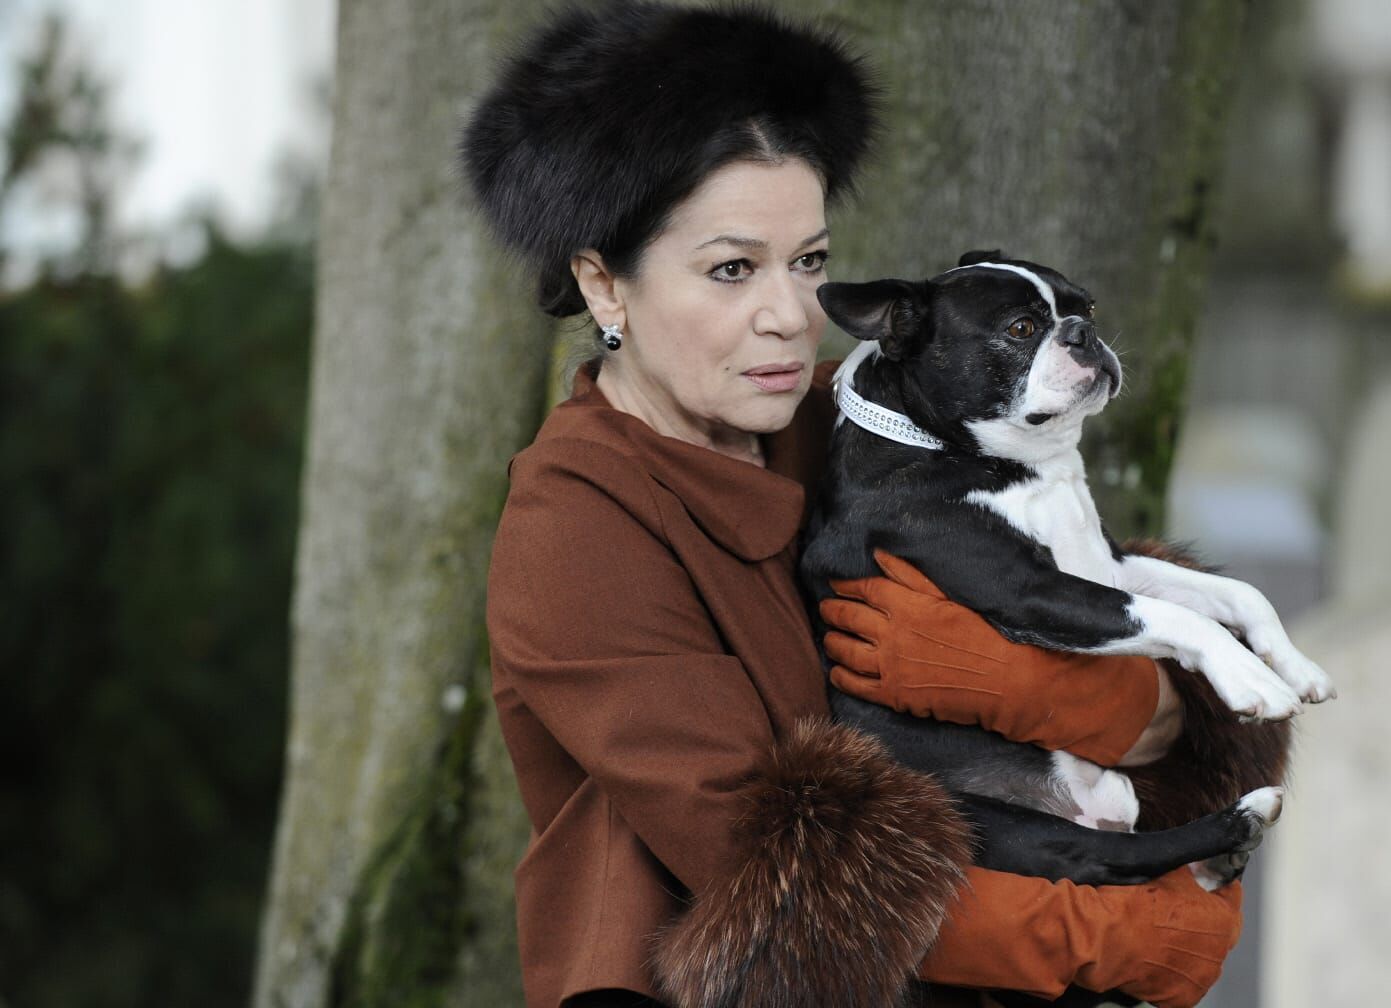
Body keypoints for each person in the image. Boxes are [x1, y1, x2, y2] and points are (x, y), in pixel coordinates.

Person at [466, 3, 1249, 1006]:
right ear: (603, 286)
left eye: (809, 262)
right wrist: (1097, 935)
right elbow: (770, 868)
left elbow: (1143, 676)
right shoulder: (574, 527)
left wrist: (1071, 695)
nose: (790, 315)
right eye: (731, 269)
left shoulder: (868, 420)